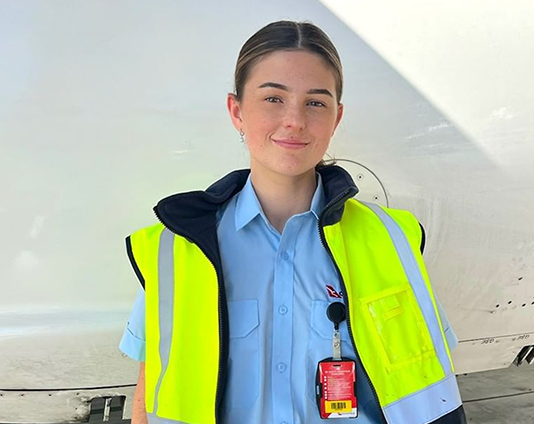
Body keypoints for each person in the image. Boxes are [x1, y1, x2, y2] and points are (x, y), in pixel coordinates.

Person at [119, 20, 466, 424]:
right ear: (237, 111)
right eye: (272, 99)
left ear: (336, 117)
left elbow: (430, 384)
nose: (295, 120)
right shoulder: (177, 246)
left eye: (315, 103)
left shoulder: (393, 239)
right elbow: (150, 393)